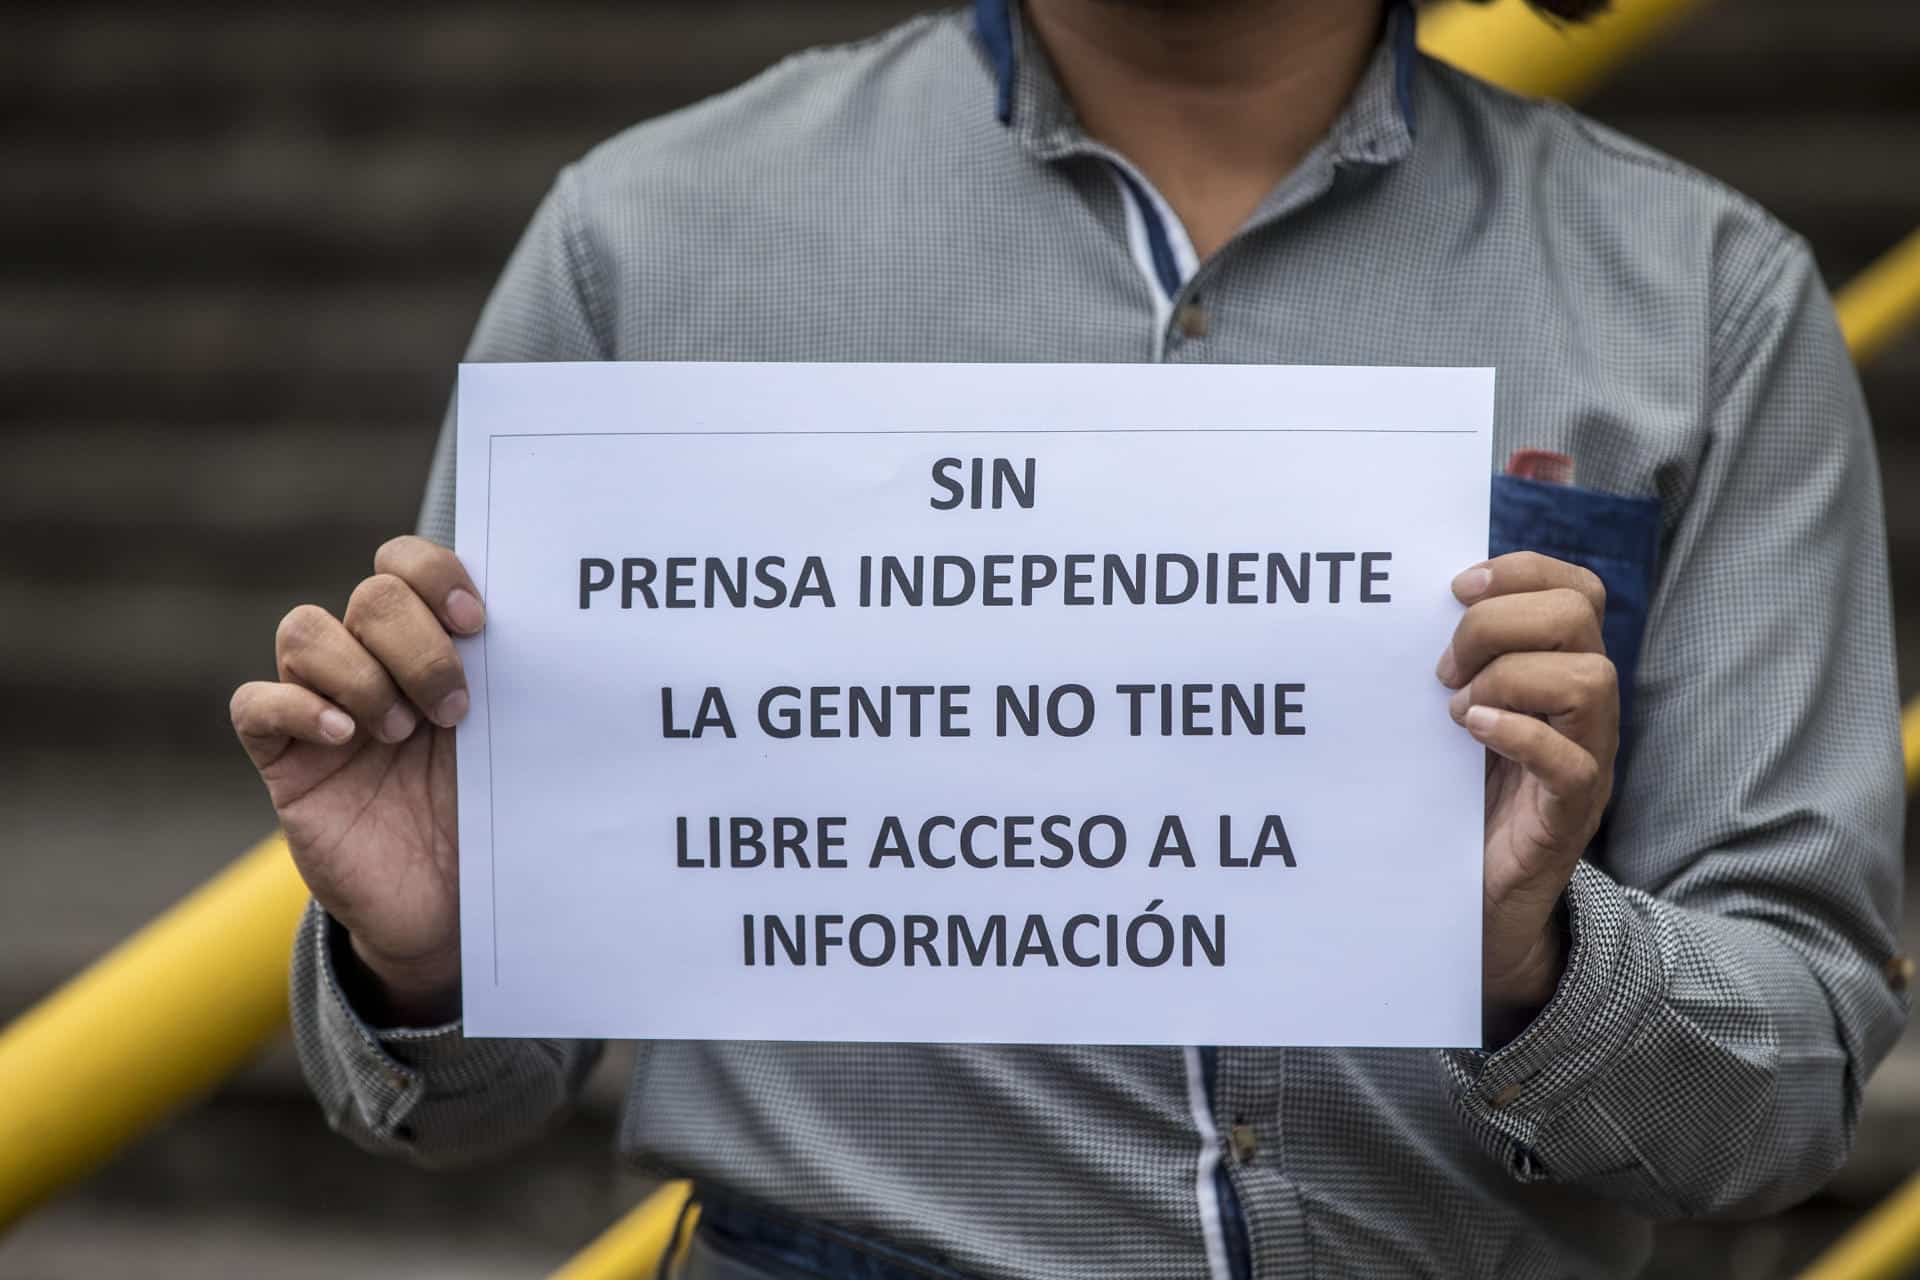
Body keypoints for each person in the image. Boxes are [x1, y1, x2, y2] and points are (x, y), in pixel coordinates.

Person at [229, 0, 1910, 1275]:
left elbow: (1789, 1083)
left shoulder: (1704, 298)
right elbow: (467, 1102)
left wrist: (1529, 962)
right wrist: (442, 952)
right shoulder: (643, 247)